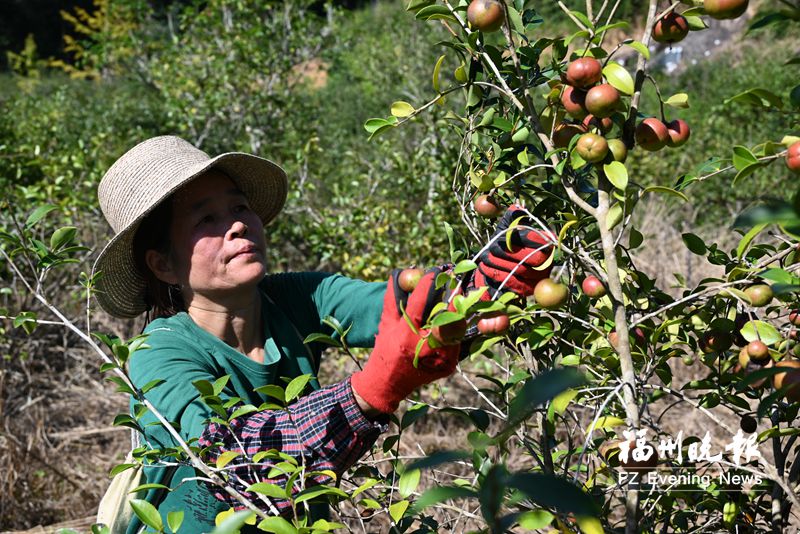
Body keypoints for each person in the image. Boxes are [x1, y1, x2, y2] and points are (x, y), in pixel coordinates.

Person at [93, 136, 553, 533]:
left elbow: (399, 304)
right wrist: (372, 390)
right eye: (205, 220)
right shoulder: (160, 353)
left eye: (238, 207)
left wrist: (484, 280)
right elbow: (237, 461)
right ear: (164, 264)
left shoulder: (295, 299)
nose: (236, 224)